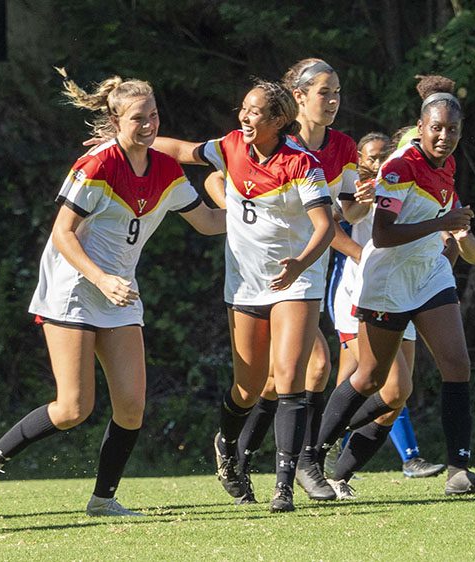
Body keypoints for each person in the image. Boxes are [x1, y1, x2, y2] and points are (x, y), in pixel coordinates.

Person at [0, 70, 225, 517]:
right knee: (73, 408)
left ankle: (102, 499)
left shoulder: (165, 168)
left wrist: (261, 208)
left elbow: (205, 222)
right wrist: (102, 278)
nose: (149, 125)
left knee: (131, 407)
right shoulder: (97, 165)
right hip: (73, 287)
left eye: (154, 115)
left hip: (120, 293)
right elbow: (63, 234)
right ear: (116, 121)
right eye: (138, 119)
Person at [153, 77, 335, 512]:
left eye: (255, 111)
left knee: (289, 378)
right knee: (248, 387)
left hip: (297, 282)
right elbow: (180, 150)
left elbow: (326, 227)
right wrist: (127, 138)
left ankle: (284, 486)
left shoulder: (302, 163)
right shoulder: (231, 145)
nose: (245, 116)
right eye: (243, 108)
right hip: (246, 284)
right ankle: (227, 445)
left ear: (278, 120)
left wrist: (298, 265)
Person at [308, 86, 475, 497]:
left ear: (460, 132)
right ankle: (309, 455)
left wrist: (449, 243)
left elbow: (452, 234)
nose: (443, 136)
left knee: (457, 365)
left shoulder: (446, 165)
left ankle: (458, 470)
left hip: (427, 276)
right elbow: (383, 233)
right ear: (421, 128)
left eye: (451, 129)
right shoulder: (399, 167)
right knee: (372, 378)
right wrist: (441, 224)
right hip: (388, 280)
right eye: (436, 128)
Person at [227, 59, 376, 502]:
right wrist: (236, 213)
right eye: (324, 92)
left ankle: (270, 460)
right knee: (293, 373)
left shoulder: (345, 146)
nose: (332, 101)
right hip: (265, 277)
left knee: (295, 374)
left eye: (337, 92)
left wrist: (361, 205)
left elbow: (342, 214)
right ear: (298, 97)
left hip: (310, 274)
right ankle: (286, 461)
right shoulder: (273, 139)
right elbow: (221, 177)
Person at [325, 130, 445, 488]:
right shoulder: (356, 185)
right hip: (359, 293)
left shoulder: (404, 182)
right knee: (364, 378)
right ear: (359, 158)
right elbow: (342, 218)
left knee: (395, 393)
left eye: (384, 156)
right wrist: (363, 254)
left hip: (401, 291)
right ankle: (320, 447)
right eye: (371, 157)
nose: (377, 163)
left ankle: (335, 463)